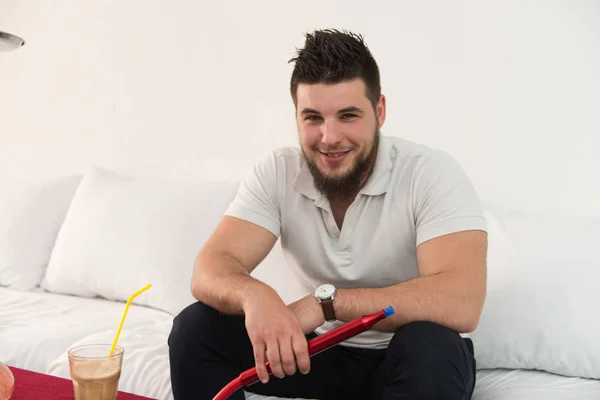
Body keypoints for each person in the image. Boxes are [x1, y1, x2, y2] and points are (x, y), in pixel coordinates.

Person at [168, 29, 487, 400]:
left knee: (431, 344)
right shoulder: (278, 171)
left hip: (402, 357)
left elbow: (462, 300)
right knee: (195, 328)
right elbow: (210, 267)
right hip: (313, 355)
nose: (329, 137)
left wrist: (327, 303)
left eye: (348, 115)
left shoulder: (430, 173)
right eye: (313, 118)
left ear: (379, 111)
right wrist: (255, 296)